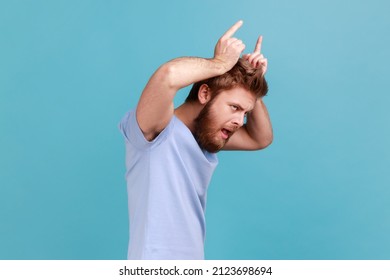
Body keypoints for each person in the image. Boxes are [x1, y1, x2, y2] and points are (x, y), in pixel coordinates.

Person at [118, 20, 273, 260]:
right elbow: (168, 76)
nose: (239, 120)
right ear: (204, 93)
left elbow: (259, 138)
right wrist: (219, 64)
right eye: (234, 107)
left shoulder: (204, 135)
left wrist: (253, 89)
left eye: (244, 112)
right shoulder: (156, 130)